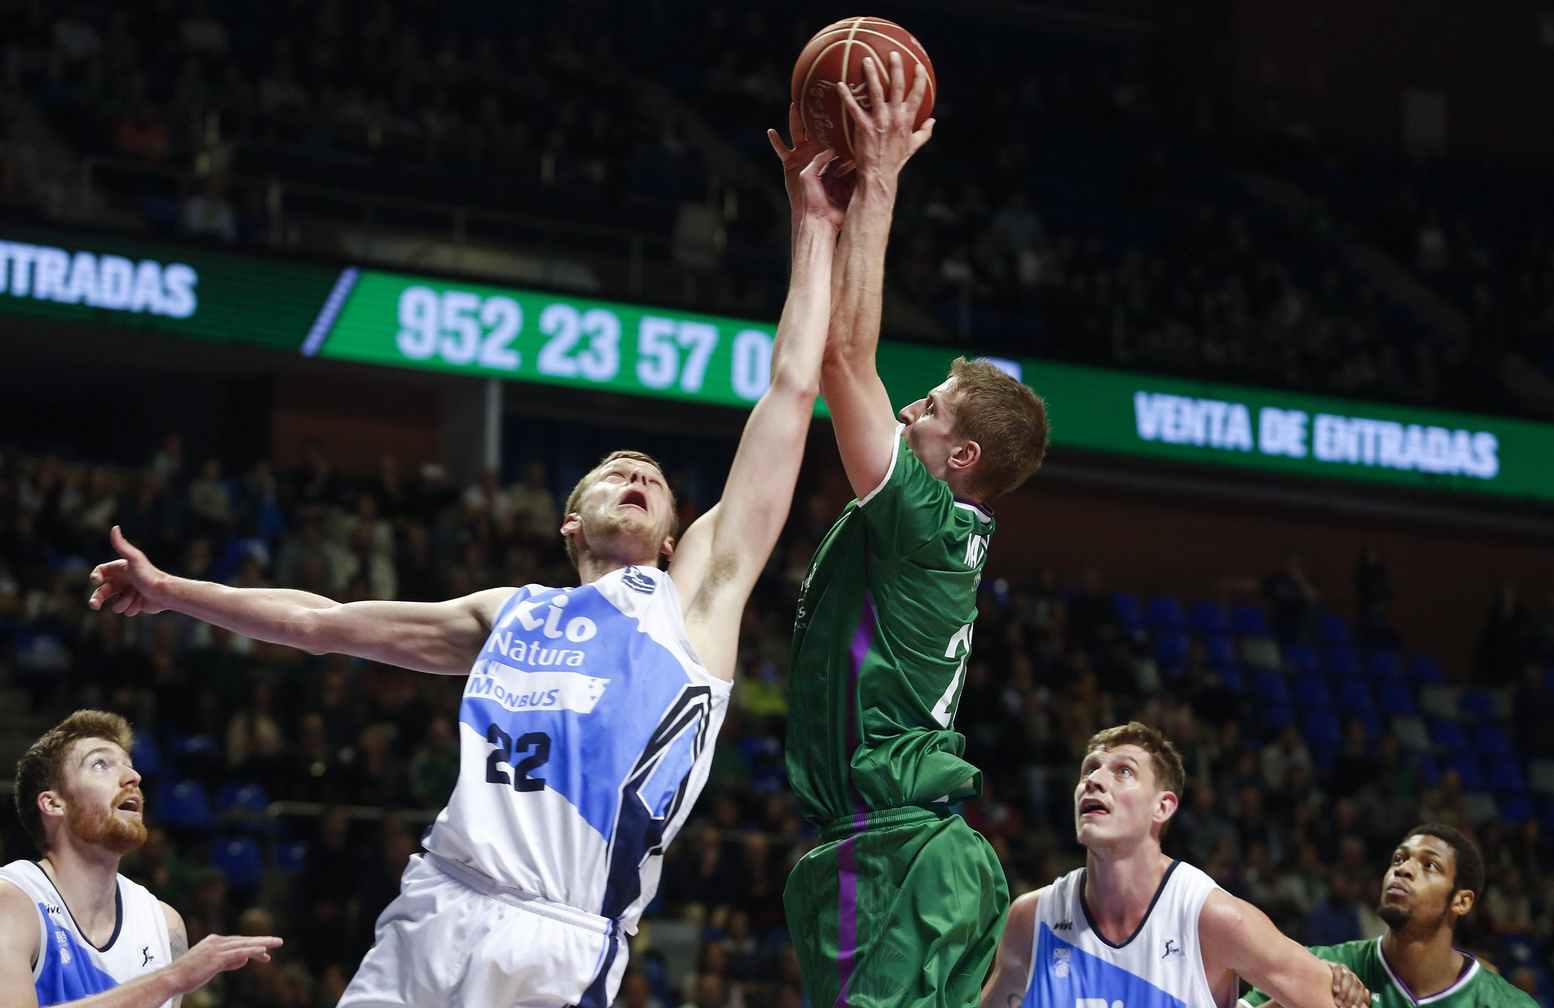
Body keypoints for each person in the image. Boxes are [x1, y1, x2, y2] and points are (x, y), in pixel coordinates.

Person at [86, 144, 848, 1008]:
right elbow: (316, 621)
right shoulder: (508, 613)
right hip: (438, 901)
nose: (634, 474)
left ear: (675, 538)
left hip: (558, 936)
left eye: (653, 480)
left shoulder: (692, 602)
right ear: (571, 521)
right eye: (612, 471)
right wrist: (171, 590)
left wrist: (813, 223)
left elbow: (789, 390)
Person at [774, 52, 1050, 1008]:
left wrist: (878, 180)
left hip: (892, 849)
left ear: (962, 456)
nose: (906, 414)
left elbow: (846, 359)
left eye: (927, 407)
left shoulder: (926, 519)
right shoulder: (930, 531)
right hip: (920, 847)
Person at [980, 722, 1370, 1008]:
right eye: (1089, 770)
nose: (1095, 781)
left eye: (1123, 771)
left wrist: (1340, 989)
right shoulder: (1032, 919)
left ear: (1162, 806)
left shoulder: (1212, 918)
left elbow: (1335, 1003)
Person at [0, 710, 283, 1007]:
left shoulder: (164, 924)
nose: (133, 777)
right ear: (53, 803)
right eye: (100, 764)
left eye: (129, 766)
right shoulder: (14, 901)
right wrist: (168, 980)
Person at [1242, 824, 1537, 1007]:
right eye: (1399, 858)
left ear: (1461, 902)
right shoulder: (1319, 967)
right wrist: (1299, 995)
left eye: (1430, 865)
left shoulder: (1504, 1002)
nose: (1403, 869)